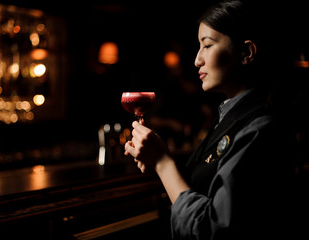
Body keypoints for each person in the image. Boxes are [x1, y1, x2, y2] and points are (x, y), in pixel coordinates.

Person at [124, 0, 299, 239]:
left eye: (207, 45)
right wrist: (156, 160)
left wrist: (164, 164)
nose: (197, 60)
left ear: (246, 53)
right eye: (198, 46)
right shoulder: (231, 116)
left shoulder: (260, 127)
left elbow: (212, 229)